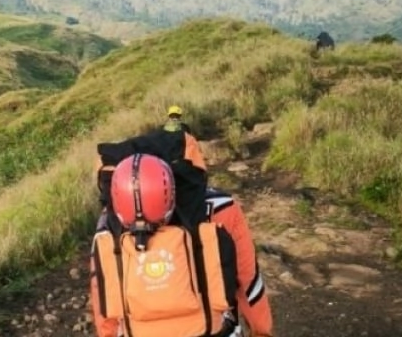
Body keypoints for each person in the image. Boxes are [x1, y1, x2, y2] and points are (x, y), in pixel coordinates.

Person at [91, 144, 273, 337]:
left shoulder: (108, 230)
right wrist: (262, 331)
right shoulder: (222, 208)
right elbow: (248, 282)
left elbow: (103, 303)